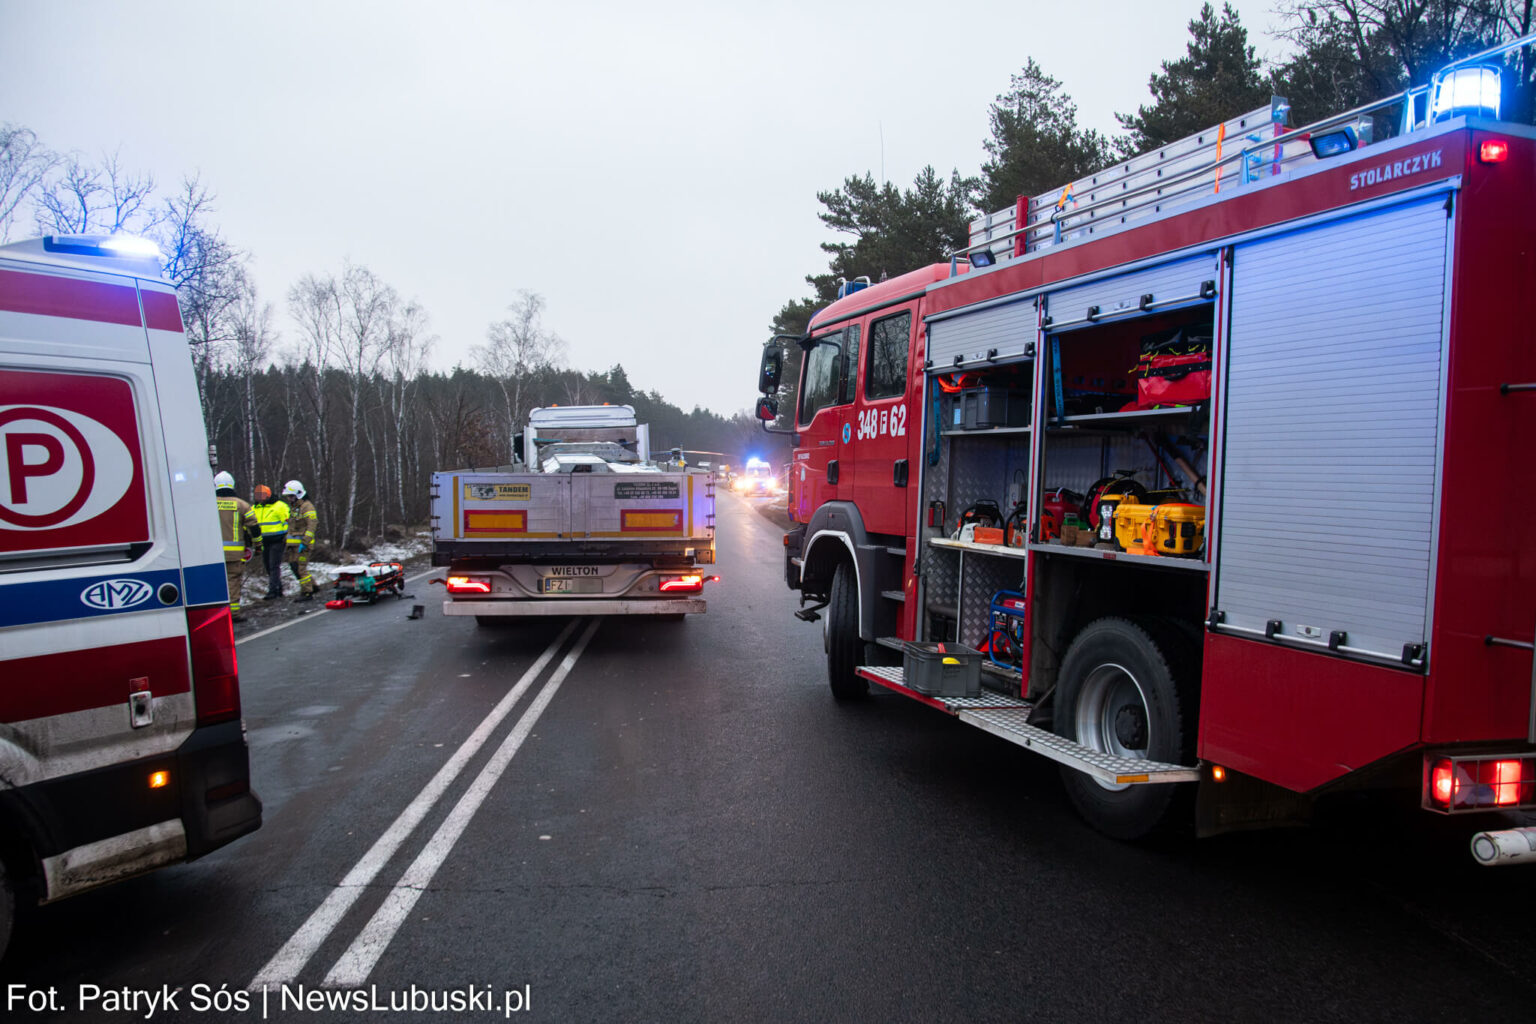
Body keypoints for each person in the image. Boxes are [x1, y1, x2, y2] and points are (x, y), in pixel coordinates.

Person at [214, 471, 258, 621]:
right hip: (234, 554)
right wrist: (258, 545)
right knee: (232, 582)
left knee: (216, 582)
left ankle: (216, 613)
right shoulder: (242, 505)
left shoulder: (208, 503)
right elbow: (254, 527)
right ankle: (233, 614)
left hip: (212, 554)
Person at [281, 479, 319, 601]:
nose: (289, 499)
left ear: (298, 494)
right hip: (293, 546)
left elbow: (312, 525)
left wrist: (305, 542)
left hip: (303, 545)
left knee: (300, 569)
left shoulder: (307, 507)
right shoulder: (294, 508)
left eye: (291, 496)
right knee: (294, 566)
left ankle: (307, 593)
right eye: (288, 496)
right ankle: (313, 586)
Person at [252, 484, 291, 600]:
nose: (260, 497)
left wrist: (287, 536)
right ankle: (278, 588)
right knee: (268, 565)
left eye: (262, 495)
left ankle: (273, 591)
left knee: (274, 565)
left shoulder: (280, 506)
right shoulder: (255, 508)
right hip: (264, 541)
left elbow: (290, 521)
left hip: (278, 540)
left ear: (268, 495)